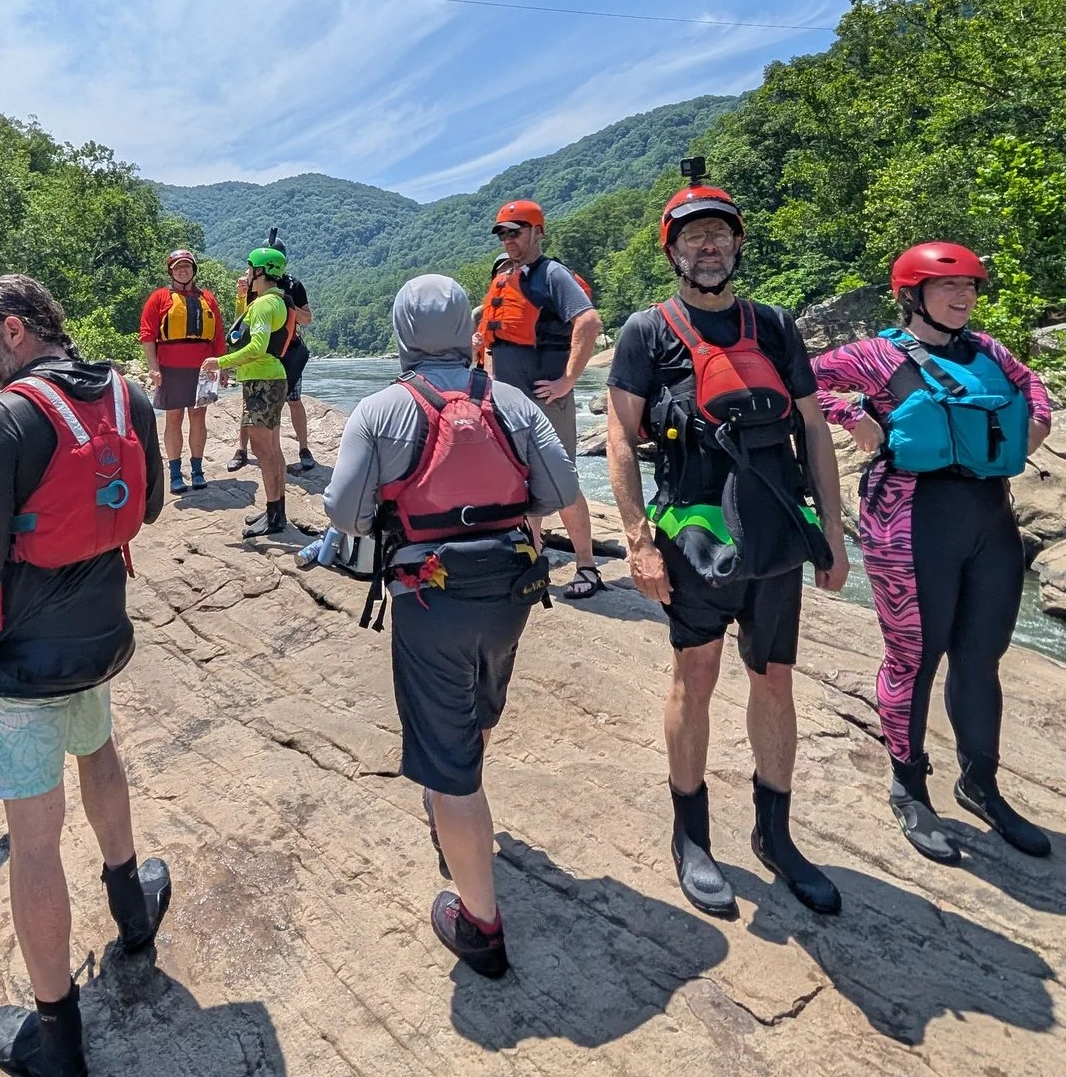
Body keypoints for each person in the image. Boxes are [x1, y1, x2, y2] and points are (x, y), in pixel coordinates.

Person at [0, 275, 173, 1077]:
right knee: (99, 751)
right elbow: (155, 507)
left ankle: (58, 1041)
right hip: (101, 637)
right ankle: (132, 912)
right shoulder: (128, 397)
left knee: (33, 840)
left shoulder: (2, 420)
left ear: (17, 331)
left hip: (21, 659)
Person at [319, 274, 580, 979]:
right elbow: (559, 491)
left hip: (431, 595)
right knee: (479, 705)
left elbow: (344, 513)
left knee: (450, 766)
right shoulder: (511, 400)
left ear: (400, 334)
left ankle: (482, 927)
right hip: (511, 587)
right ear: (471, 329)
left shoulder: (380, 408)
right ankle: (462, 790)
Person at [605, 178, 849, 919]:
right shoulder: (647, 333)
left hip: (774, 531)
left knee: (774, 679)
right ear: (673, 251)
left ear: (737, 245)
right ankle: (693, 838)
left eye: (720, 235)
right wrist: (638, 539)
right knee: (696, 676)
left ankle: (775, 837)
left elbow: (813, 431)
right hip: (692, 535)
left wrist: (833, 535)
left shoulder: (774, 326)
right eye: (693, 237)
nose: (708, 247)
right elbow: (619, 437)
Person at [812, 243, 1057, 863]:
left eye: (971, 288)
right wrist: (849, 414)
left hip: (989, 517)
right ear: (912, 295)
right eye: (948, 289)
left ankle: (981, 784)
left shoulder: (988, 350)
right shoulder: (876, 354)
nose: (963, 298)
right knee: (912, 659)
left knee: (981, 657)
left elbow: (1032, 385)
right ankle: (909, 785)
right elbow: (801, 379)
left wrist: (1041, 420)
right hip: (908, 519)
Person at [475, 199, 609, 601]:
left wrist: (568, 379)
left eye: (515, 232)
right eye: (503, 233)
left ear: (536, 231)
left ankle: (587, 565)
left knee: (562, 480)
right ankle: (534, 554)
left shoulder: (552, 275)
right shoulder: (510, 277)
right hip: (511, 399)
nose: (509, 239)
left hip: (544, 399)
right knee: (521, 478)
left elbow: (589, 321)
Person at [210, 245, 297, 536]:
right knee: (272, 448)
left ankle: (274, 517)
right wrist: (240, 296)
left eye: (250, 267)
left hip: (262, 381)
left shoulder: (263, 305)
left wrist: (219, 362)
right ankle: (276, 510)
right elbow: (242, 329)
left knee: (264, 450)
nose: (247, 272)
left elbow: (256, 346)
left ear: (260, 271)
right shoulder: (274, 301)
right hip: (271, 378)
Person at [139, 248, 222, 494]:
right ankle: (175, 473)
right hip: (171, 367)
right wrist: (153, 368)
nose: (182, 270)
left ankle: (197, 470)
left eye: (186, 266)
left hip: (204, 369)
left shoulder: (208, 298)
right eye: (177, 267)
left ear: (193, 269)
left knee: (198, 418)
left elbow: (217, 336)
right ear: (171, 271)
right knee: (174, 418)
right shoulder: (159, 298)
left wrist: (221, 366)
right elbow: (147, 335)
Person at [278, 264, 318, 473]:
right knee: (255, 404)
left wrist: (289, 302)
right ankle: (242, 450)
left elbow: (307, 319)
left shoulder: (293, 284)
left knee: (294, 400)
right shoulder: (253, 280)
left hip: (291, 350)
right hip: (264, 352)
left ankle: (304, 448)